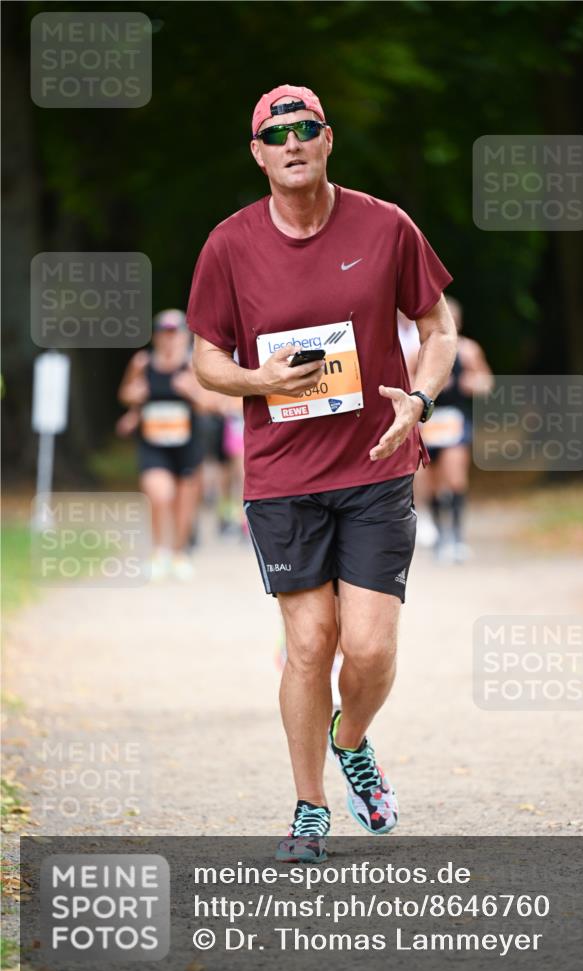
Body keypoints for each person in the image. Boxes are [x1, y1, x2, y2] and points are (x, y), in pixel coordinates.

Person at [187, 85, 457, 862]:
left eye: (306, 129)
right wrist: (260, 380)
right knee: (310, 643)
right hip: (281, 476)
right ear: (258, 154)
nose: (293, 142)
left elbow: (436, 327)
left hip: (375, 464)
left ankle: (352, 739)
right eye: (277, 134)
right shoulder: (229, 246)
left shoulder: (384, 225)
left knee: (366, 649)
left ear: (328, 139)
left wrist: (420, 394)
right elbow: (207, 357)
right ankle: (309, 807)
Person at [117, 309, 219, 581]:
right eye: (164, 334)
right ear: (156, 336)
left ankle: (178, 554)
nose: (169, 340)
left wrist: (192, 391)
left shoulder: (193, 365)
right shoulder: (143, 362)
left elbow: (214, 404)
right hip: (153, 444)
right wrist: (133, 399)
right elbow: (126, 392)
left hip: (188, 444)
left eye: (174, 334)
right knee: (160, 494)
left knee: (184, 505)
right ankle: (159, 552)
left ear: (185, 337)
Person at [404, 300, 494, 562]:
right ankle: (440, 534)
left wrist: (472, 383)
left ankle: (456, 536)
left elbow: (486, 382)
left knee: (455, 478)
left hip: (455, 421)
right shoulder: (417, 353)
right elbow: (405, 382)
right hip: (427, 424)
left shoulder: (467, 351)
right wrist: (426, 387)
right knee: (430, 482)